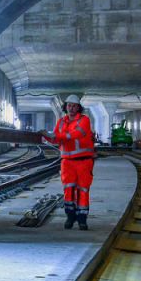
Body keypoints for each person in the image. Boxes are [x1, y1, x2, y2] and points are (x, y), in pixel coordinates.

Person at [41, 95, 95, 230]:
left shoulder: (84, 120)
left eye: (74, 106)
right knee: (68, 190)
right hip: (67, 162)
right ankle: (70, 217)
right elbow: (56, 140)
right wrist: (47, 137)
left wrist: (56, 136)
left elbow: (76, 134)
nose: (71, 108)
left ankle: (82, 219)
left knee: (83, 190)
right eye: (69, 105)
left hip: (83, 161)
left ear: (78, 108)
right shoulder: (60, 122)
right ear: (65, 106)